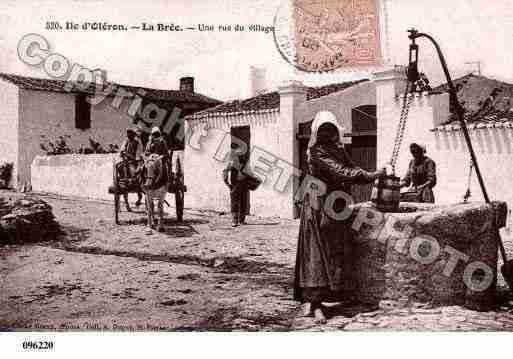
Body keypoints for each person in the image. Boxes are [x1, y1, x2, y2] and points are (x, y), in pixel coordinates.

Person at [293, 111, 385, 324]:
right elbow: (341, 173)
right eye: (323, 129)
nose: (327, 133)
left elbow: (351, 168)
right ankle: (315, 304)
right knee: (316, 252)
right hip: (319, 204)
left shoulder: (338, 150)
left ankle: (334, 296)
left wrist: (373, 172)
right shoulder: (317, 152)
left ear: (336, 131)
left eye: (331, 129)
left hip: (337, 204)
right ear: (317, 132)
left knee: (336, 250)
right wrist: (373, 175)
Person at [119, 127, 144, 210]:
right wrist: (123, 153)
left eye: (130, 134)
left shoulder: (137, 142)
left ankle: (135, 180)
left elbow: (138, 153)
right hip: (126, 161)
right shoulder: (126, 141)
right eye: (128, 134)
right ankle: (126, 204)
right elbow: (122, 149)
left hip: (134, 161)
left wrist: (133, 158)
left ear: (133, 135)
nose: (129, 135)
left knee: (136, 170)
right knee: (120, 167)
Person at [223, 150, 248, 227]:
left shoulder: (245, 163)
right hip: (235, 185)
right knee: (234, 203)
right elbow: (225, 172)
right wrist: (227, 183)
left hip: (243, 185)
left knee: (243, 202)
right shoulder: (232, 163)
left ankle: (241, 220)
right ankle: (235, 221)